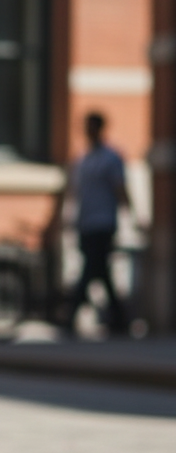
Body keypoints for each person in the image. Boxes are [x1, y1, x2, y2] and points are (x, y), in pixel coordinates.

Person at [64, 112, 130, 336]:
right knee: (100, 271)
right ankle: (119, 319)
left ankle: (70, 314)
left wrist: (131, 216)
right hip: (85, 223)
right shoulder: (82, 160)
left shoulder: (111, 158)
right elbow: (74, 194)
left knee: (90, 269)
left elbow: (120, 189)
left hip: (103, 222)